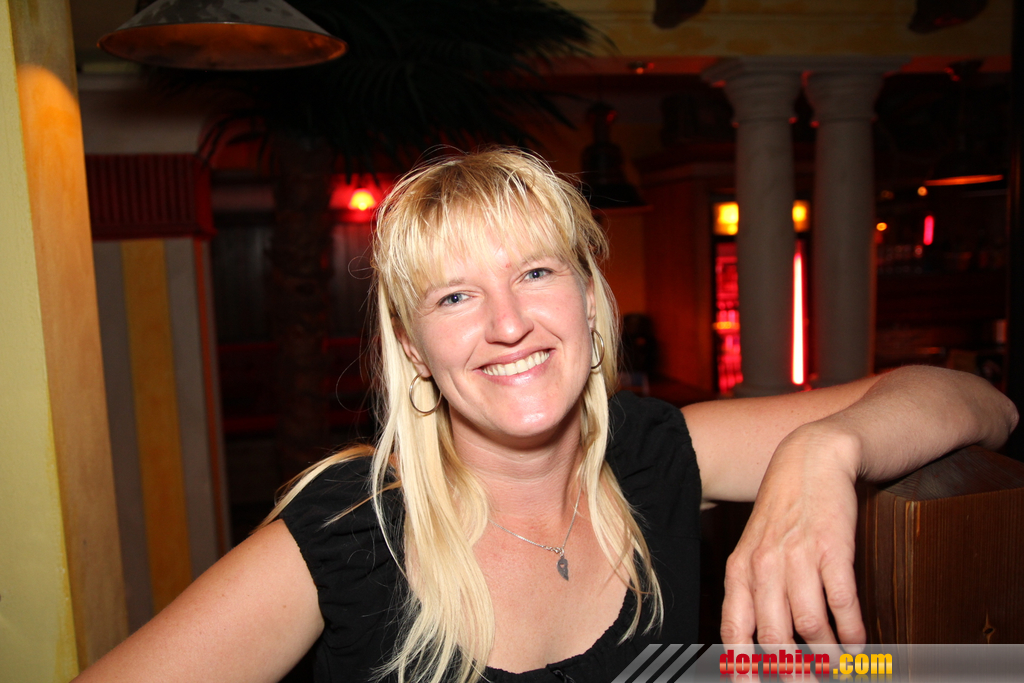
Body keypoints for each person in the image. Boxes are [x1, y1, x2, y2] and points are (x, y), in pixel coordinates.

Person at [75, 148, 1017, 683]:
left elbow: (981, 402)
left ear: (589, 301)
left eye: (535, 272)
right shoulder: (350, 531)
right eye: (454, 296)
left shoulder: (655, 451)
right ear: (413, 348)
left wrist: (824, 448)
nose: (509, 322)